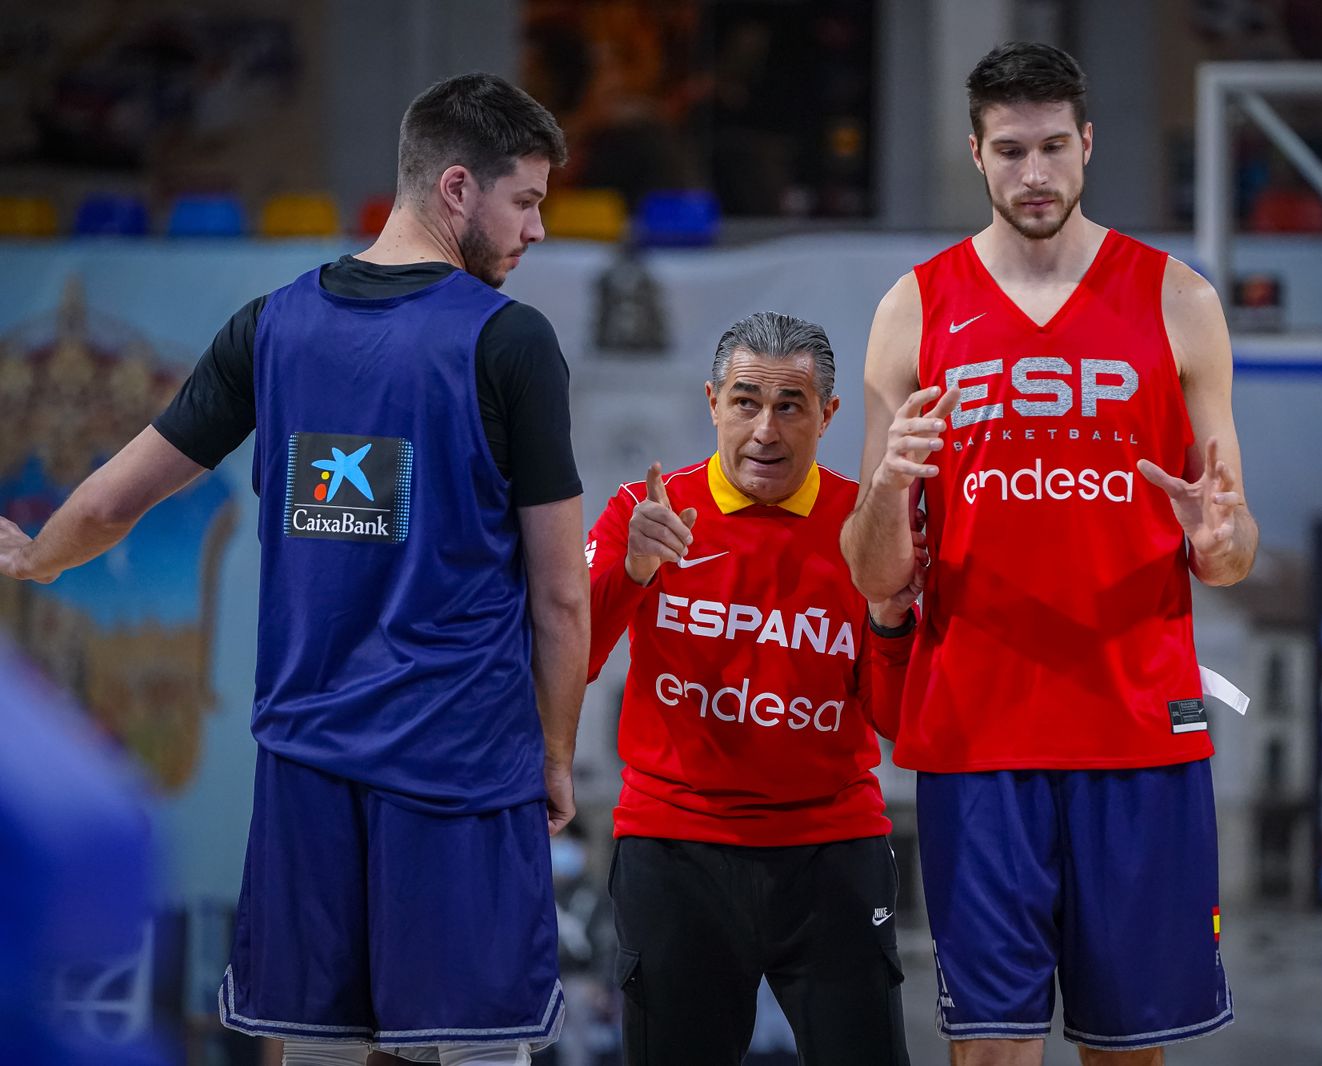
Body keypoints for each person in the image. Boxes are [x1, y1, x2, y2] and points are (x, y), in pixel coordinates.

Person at [0, 73, 590, 1066]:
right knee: (481, 1048)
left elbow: (111, 499)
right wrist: (556, 749)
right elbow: (561, 590)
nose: (535, 229)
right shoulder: (509, 339)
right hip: (458, 766)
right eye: (524, 200)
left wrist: (39, 555)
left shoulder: (270, 325)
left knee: (314, 1048)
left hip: (307, 766)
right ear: (456, 188)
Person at [841, 43, 1259, 1066]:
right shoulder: (914, 307)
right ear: (976, 154)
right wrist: (891, 484)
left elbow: (1231, 549)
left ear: (1088, 144)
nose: (1037, 173)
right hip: (978, 734)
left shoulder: (1177, 299)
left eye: (1055, 148)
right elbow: (872, 572)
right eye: (1012, 150)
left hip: (1139, 731)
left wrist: (1221, 535)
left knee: (1129, 1049)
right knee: (990, 1051)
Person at [586, 311, 919, 1066]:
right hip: (675, 849)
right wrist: (630, 572)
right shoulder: (649, 515)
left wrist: (889, 624)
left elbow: (900, 722)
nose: (765, 430)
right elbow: (572, 659)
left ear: (828, 416)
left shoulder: (865, 528)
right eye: (745, 402)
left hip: (830, 851)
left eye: (789, 406)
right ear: (712, 403)